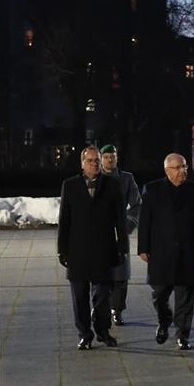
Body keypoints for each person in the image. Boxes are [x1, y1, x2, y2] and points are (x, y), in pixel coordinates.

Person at [58, 145, 128, 349]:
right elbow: (65, 219)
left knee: (102, 298)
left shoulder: (113, 185)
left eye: (97, 160)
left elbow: (120, 221)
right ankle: (84, 334)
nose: (94, 164)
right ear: (82, 164)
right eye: (90, 161)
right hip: (77, 251)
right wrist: (62, 249)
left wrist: (122, 247)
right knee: (79, 297)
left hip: (104, 250)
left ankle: (103, 331)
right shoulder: (70, 185)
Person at [138, 153, 194, 350]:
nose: (182, 171)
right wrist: (143, 248)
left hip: (188, 252)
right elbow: (145, 222)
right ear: (167, 171)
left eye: (184, 167)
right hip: (160, 253)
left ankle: (182, 334)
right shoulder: (152, 190)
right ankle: (164, 320)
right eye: (177, 168)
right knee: (159, 294)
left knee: (186, 297)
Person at [100, 144, 141, 326]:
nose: (110, 159)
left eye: (113, 156)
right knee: (100, 275)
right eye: (107, 156)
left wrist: (126, 227)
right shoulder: (94, 178)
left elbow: (137, 204)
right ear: (101, 158)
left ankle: (117, 310)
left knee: (120, 276)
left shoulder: (126, 179)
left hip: (119, 233)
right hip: (99, 233)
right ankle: (101, 308)